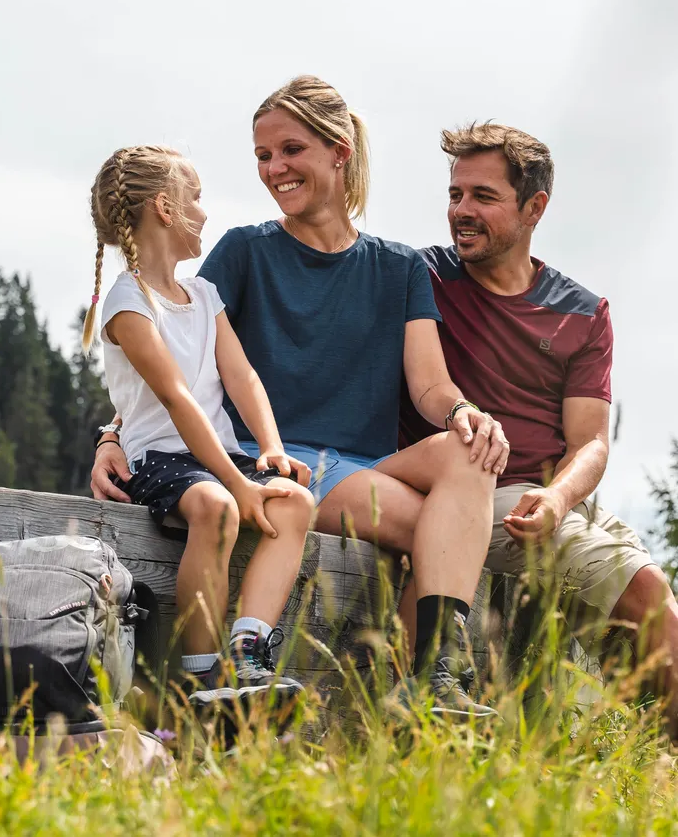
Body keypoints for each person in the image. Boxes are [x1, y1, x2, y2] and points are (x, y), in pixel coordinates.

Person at [91, 78, 511, 717]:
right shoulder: (244, 250)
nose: (273, 169)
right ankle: (417, 678)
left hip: (360, 470)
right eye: (263, 156)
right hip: (277, 465)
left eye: (290, 150)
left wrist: (465, 413)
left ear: (339, 152)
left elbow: (430, 386)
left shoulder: (400, 268)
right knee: (445, 531)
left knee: (470, 454)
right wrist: (113, 434)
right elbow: (173, 351)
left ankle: (423, 677)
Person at [399, 122, 678, 727]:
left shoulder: (582, 312)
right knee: (650, 598)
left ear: (535, 207)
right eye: (455, 195)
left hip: (558, 502)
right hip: (475, 494)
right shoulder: (419, 277)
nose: (462, 212)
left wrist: (557, 496)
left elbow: (592, 442)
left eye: (483, 197)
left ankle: (648, 773)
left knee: (656, 635)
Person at [82, 144, 315, 711]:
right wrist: (238, 486)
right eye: (196, 197)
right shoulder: (126, 303)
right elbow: (177, 400)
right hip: (160, 458)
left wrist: (271, 451)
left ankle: (248, 649)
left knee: (295, 503)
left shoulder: (205, 295)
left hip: (216, 455)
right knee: (217, 507)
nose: (205, 212)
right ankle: (201, 675)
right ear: (165, 208)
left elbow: (242, 378)